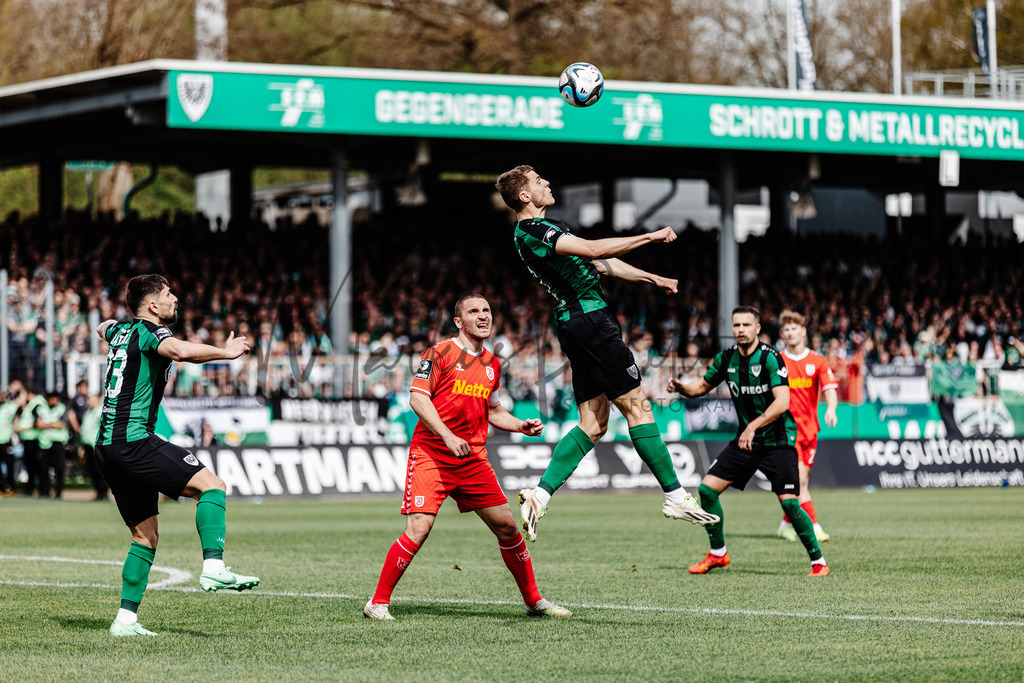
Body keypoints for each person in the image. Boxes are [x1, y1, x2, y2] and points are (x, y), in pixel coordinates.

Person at [495, 165, 717, 542]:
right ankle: (675, 496)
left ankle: (540, 494)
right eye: (538, 181)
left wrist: (653, 278)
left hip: (575, 325)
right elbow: (595, 248)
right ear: (524, 197)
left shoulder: (547, 230)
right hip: (591, 322)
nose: (547, 182)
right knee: (637, 407)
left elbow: (599, 264)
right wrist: (650, 235)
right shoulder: (532, 230)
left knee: (594, 423)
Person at [364, 294, 571, 621]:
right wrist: (448, 436)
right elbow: (418, 398)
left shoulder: (492, 363)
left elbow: (494, 410)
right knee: (419, 528)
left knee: (506, 527)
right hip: (433, 453)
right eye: (474, 311)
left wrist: (521, 426)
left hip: (472, 458)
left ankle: (534, 601)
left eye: (487, 310)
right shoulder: (440, 353)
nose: (483, 316)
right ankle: (377, 603)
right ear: (459, 322)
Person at [95, 274, 260, 637]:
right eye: (168, 294)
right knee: (213, 487)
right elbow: (181, 352)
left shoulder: (120, 331)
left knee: (145, 537)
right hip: (133, 439)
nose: (174, 299)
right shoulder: (152, 334)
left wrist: (110, 325)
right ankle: (214, 566)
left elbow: (102, 327)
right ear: (152, 306)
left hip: (107, 446)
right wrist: (226, 353)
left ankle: (125, 620)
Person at [668, 305, 829, 577]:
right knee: (707, 490)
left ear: (757, 328)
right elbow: (702, 386)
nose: (740, 330)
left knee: (790, 502)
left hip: (777, 440)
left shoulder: (770, 358)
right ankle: (718, 554)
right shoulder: (726, 358)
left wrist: (753, 425)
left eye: (746, 325)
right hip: (746, 441)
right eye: (736, 325)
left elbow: (782, 402)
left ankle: (819, 562)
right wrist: (683, 388)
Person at [776, 310, 838, 543]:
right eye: (786, 330)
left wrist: (831, 409)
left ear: (803, 331)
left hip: (810, 430)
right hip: (786, 431)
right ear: (782, 334)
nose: (790, 333)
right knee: (800, 481)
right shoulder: (777, 360)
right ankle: (813, 526)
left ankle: (784, 524)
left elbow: (829, 388)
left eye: (794, 329)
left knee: (802, 481)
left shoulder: (817, 361)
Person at [35, 390, 78, 499]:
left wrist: (47, 424)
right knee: (44, 468)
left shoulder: (62, 408)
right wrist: (54, 424)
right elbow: (39, 424)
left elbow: (62, 424)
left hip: (58, 442)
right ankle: (45, 491)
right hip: (44, 442)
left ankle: (59, 492)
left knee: (60, 467)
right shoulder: (41, 409)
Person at [16, 385, 45, 496]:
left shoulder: (36, 403)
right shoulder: (32, 404)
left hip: (34, 439)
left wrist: (24, 428)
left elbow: (38, 421)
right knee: (31, 465)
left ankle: (37, 489)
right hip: (29, 439)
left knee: (35, 466)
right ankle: (32, 488)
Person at [77, 393, 107, 501]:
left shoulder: (100, 412)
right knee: (92, 470)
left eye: (91, 399)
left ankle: (104, 493)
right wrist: (81, 447)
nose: (88, 401)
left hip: (96, 445)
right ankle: (98, 492)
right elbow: (84, 430)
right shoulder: (87, 413)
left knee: (99, 470)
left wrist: (98, 445)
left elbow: (102, 430)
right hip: (87, 445)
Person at [0, 380, 25, 496]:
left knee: (9, 466)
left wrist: (20, 389)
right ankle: (1, 488)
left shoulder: (10, 406)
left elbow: (23, 399)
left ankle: (10, 487)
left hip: (6, 441)